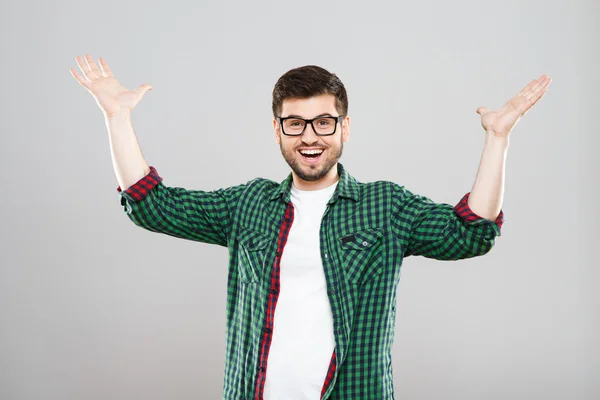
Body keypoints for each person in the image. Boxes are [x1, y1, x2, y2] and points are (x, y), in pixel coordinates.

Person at [70, 54, 551, 400]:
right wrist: (117, 118)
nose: (310, 137)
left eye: (324, 122)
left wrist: (498, 139)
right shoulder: (250, 205)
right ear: (277, 129)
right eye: (295, 124)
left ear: (345, 127)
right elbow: (152, 206)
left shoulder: (384, 206)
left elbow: (470, 233)